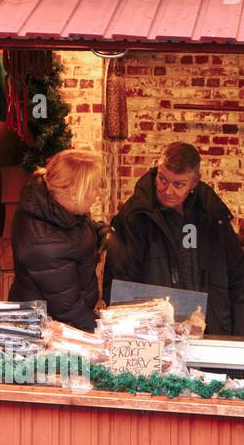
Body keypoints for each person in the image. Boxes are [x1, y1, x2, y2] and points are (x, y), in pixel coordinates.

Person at [104, 141, 244, 335]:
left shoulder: (213, 216)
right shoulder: (134, 217)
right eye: (162, 180)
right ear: (157, 169)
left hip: (212, 331)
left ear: (194, 182)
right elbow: (120, 285)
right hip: (156, 336)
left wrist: (238, 339)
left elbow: (238, 279)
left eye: (179, 184)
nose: (168, 190)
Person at [10, 149, 102, 330]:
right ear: (75, 193)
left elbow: (77, 233)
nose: (97, 193)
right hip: (45, 330)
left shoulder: (60, 207)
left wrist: (100, 231)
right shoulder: (45, 244)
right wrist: (101, 334)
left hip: (65, 320)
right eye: (94, 187)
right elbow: (68, 309)